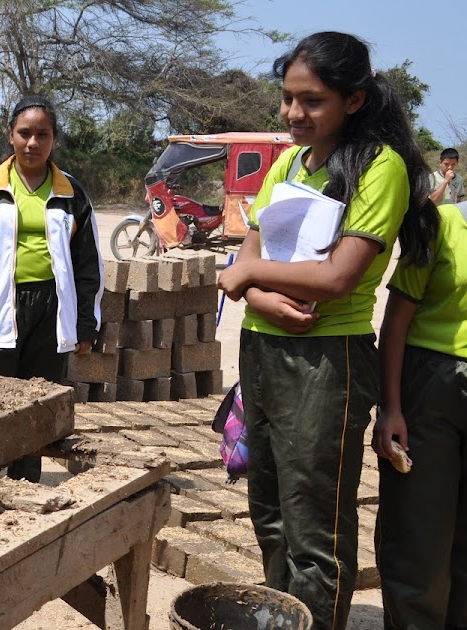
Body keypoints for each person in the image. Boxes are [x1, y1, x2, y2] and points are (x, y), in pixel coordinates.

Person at [217, 32, 433, 630]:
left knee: (315, 522)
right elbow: (249, 254)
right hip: (261, 347)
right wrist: (261, 293)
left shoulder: (379, 168)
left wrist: (251, 276)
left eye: (311, 101)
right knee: (269, 511)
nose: (292, 114)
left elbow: (338, 278)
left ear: (354, 101)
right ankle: (281, 619)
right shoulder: (288, 161)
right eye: (287, 98)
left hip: (325, 362)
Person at [0, 95, 103, 482]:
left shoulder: (71, 192)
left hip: (51, 307)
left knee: (37, 400)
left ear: (54, 139)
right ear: (11, 136)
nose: (32, 143)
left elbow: (87, 263)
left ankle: (25, 482)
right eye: (25, 134)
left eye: (42, 134)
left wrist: (86, 323)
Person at [372, 200, 463, 628]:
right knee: (419, 536)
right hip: (432, 389)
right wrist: (389, 407)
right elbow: (396, 321)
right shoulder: (440, 224)